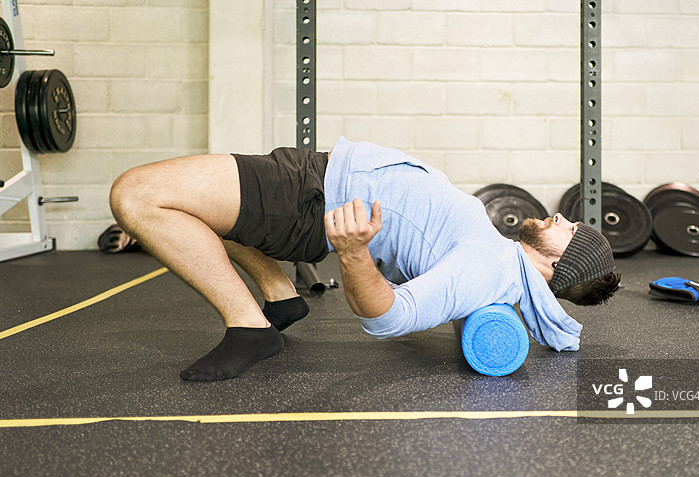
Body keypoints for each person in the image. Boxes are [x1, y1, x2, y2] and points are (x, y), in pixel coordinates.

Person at [109, 137, 621, 381]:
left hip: (312, 200)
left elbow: (389, 318)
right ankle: (279, 295)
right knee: (202, 207)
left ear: (557, 267)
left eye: (570, 231)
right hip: (318, 179)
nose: (562, 219)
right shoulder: (498, 256)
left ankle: (248, 326)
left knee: (136, 195)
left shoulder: (487, 270)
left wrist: (353, 252)